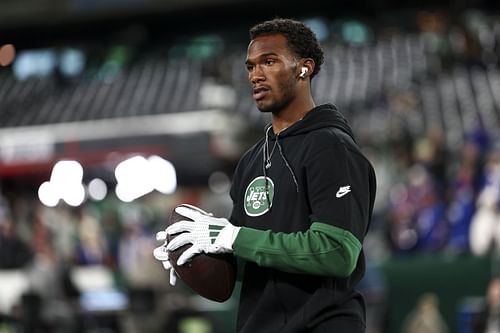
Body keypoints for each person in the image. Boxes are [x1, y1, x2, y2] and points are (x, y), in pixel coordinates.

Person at [154, 17, 377, 333]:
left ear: (304, 68)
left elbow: (337, 252)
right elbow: (247, 262)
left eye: (268, 62)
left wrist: (231, 237)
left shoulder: (332, 147)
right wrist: (196, 253)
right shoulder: (250, 160)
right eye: (250, 67)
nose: (255, 75)